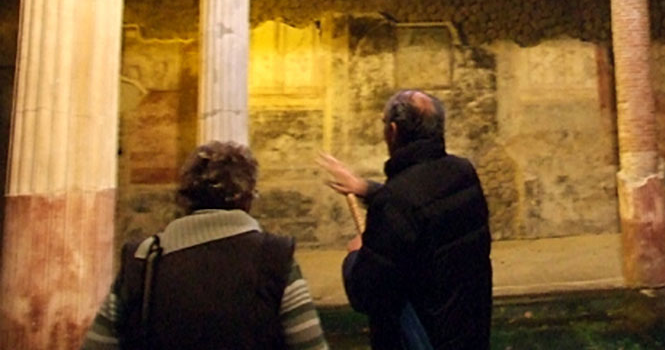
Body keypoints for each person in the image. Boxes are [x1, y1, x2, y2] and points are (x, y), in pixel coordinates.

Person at [82, 141, 329, 350]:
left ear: (185, 197)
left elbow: (98, 343)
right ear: (248, 197)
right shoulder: (275, 258)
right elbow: (310, 343)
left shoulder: (143, 258)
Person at [318, 89, 492, 350]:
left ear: (393, 131)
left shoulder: (396, 202)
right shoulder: (463, 172)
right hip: (466, 332)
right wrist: (364, 187)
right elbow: (423, 206)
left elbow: (366, 293)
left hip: (425, 337)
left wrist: (355, 255)